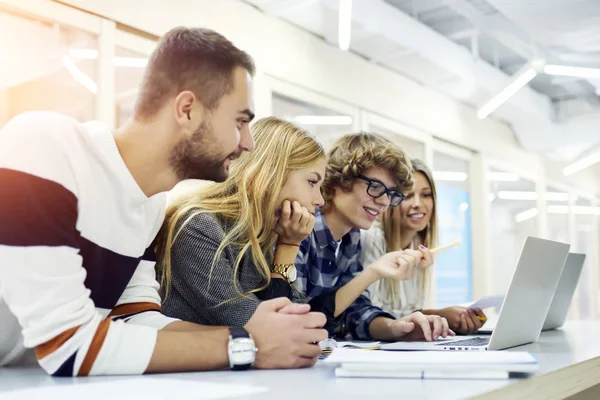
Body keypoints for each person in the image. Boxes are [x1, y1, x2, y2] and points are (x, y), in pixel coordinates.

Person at [0, 26, 326, 376]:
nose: (248, 143)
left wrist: (256, 336)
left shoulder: (151, 203)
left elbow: (136, 319)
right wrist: (245, 345)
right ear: (187, 109)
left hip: (33, 383)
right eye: (240, 122)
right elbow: (68, 345)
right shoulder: (43, 145)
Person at [156, 117, 423, 335]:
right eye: (312, 182)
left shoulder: (271, 234)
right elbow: (265, 324)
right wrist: (290, 245)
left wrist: (287, 245)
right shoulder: (198, 226)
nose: (319, 199)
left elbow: (294, 315)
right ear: (273, 174)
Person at [295, 133, 455, 342]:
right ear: (338, 180)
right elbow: (298, 320)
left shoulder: (350, 238)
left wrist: (398, 327)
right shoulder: (299, 229)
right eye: (376, 187)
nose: (384, 202)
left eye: (391, 193)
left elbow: (354, 313)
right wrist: (372, 272)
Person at [361, 158, 486, 334]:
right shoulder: (372, 238)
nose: (418, 204)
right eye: (408, 195)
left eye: (426, 195)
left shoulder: (419, 246)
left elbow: (407, 311)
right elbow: (367, 315)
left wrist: (442, 318)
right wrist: (437, 314)